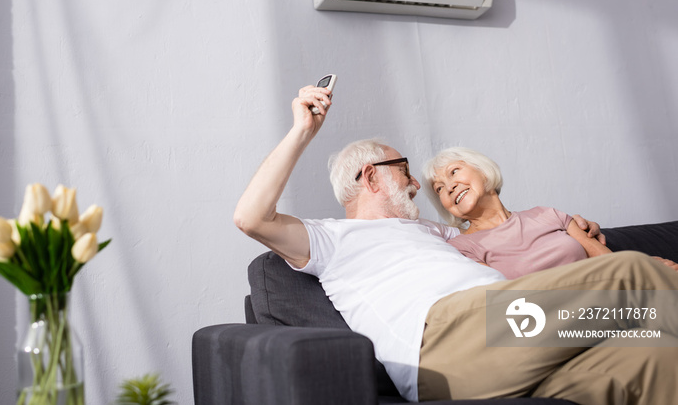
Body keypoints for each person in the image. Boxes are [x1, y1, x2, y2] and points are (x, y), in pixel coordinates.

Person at [234, 85, 678, 404]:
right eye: (405, 171)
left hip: (507, 336)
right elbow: (250, 217)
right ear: (371, 175)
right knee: (633, 273)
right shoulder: (331, 239)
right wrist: (302, 132)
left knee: (654, 356)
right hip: (448, 342)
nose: (414, 185)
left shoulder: (436, 232)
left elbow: (503, 230)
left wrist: (572, 229)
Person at [422, 147, 678, 279]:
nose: (450, 186)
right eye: (440, 189)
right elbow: (499, 301)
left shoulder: (546, 214)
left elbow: (610, 262)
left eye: (454, 172)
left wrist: (646, 267)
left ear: (483, 170)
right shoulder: (461, 248)